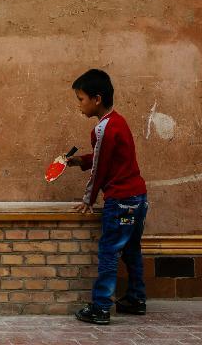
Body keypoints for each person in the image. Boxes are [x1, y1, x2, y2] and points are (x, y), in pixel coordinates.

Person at [66, 69, 148, 325]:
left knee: (109, 251)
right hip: (138, 198)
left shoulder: (103, 129)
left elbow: (101, 168)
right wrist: (81, 161)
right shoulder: (118, 122)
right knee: (131, 250)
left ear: (96, 99)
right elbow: (107, 159)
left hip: (120, 201)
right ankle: (136, 299)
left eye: (81, 99)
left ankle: (101, 307)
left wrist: (88, 199)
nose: (79, 105)